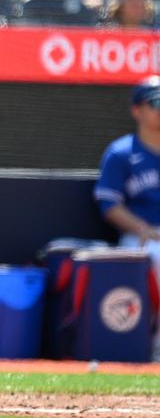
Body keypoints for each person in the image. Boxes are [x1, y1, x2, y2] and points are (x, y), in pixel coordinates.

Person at [94, 75, 160, 358]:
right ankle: (149, 347)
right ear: (137, 110)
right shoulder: (121, 153)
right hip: (140, 236)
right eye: (155, 102)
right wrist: (141, 227)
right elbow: (109, 204)